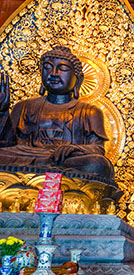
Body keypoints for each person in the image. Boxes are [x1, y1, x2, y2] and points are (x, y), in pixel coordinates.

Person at [0, 46, 114, 179]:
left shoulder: (90, 112)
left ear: (78, 79)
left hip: (67, 161)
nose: (53, 73)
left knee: (97, 164)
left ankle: (42, 170)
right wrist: (2, 111)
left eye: (63, 69)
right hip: (30, 156)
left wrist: (74, 149)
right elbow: (8, 144)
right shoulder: (24, 107)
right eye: (47, 67)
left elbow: (98, 149)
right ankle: (46, 168)